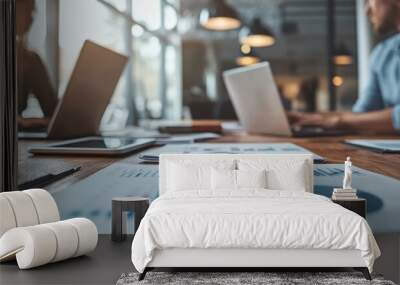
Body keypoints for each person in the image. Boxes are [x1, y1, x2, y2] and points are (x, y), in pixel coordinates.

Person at [289, 0, 400, 134]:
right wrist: (307, 118)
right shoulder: (381, 54)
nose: (366, 11)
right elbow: (362, 114)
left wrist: (338, 122)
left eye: (368, 1)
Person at [16, 0, 58, 130]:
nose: (30, 18)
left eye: (32, 11)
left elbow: (53, 112)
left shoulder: (31, 60)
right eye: (25, 10)